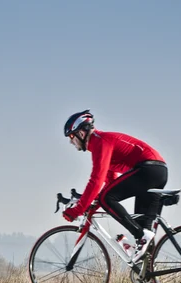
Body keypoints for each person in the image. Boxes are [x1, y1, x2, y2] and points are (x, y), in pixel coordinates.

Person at [61, 110, 168, 266]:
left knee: (107, 199)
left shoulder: (100, 141)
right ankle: (147, 279)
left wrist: (77, 210)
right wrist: (91, 203)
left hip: (148, 169)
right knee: (144, 234)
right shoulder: (100, 145)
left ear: (82, 132)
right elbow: (109, 181)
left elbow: (96, 181)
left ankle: (140, 235)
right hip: (156, 171)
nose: (71, 142)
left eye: (71, 136)